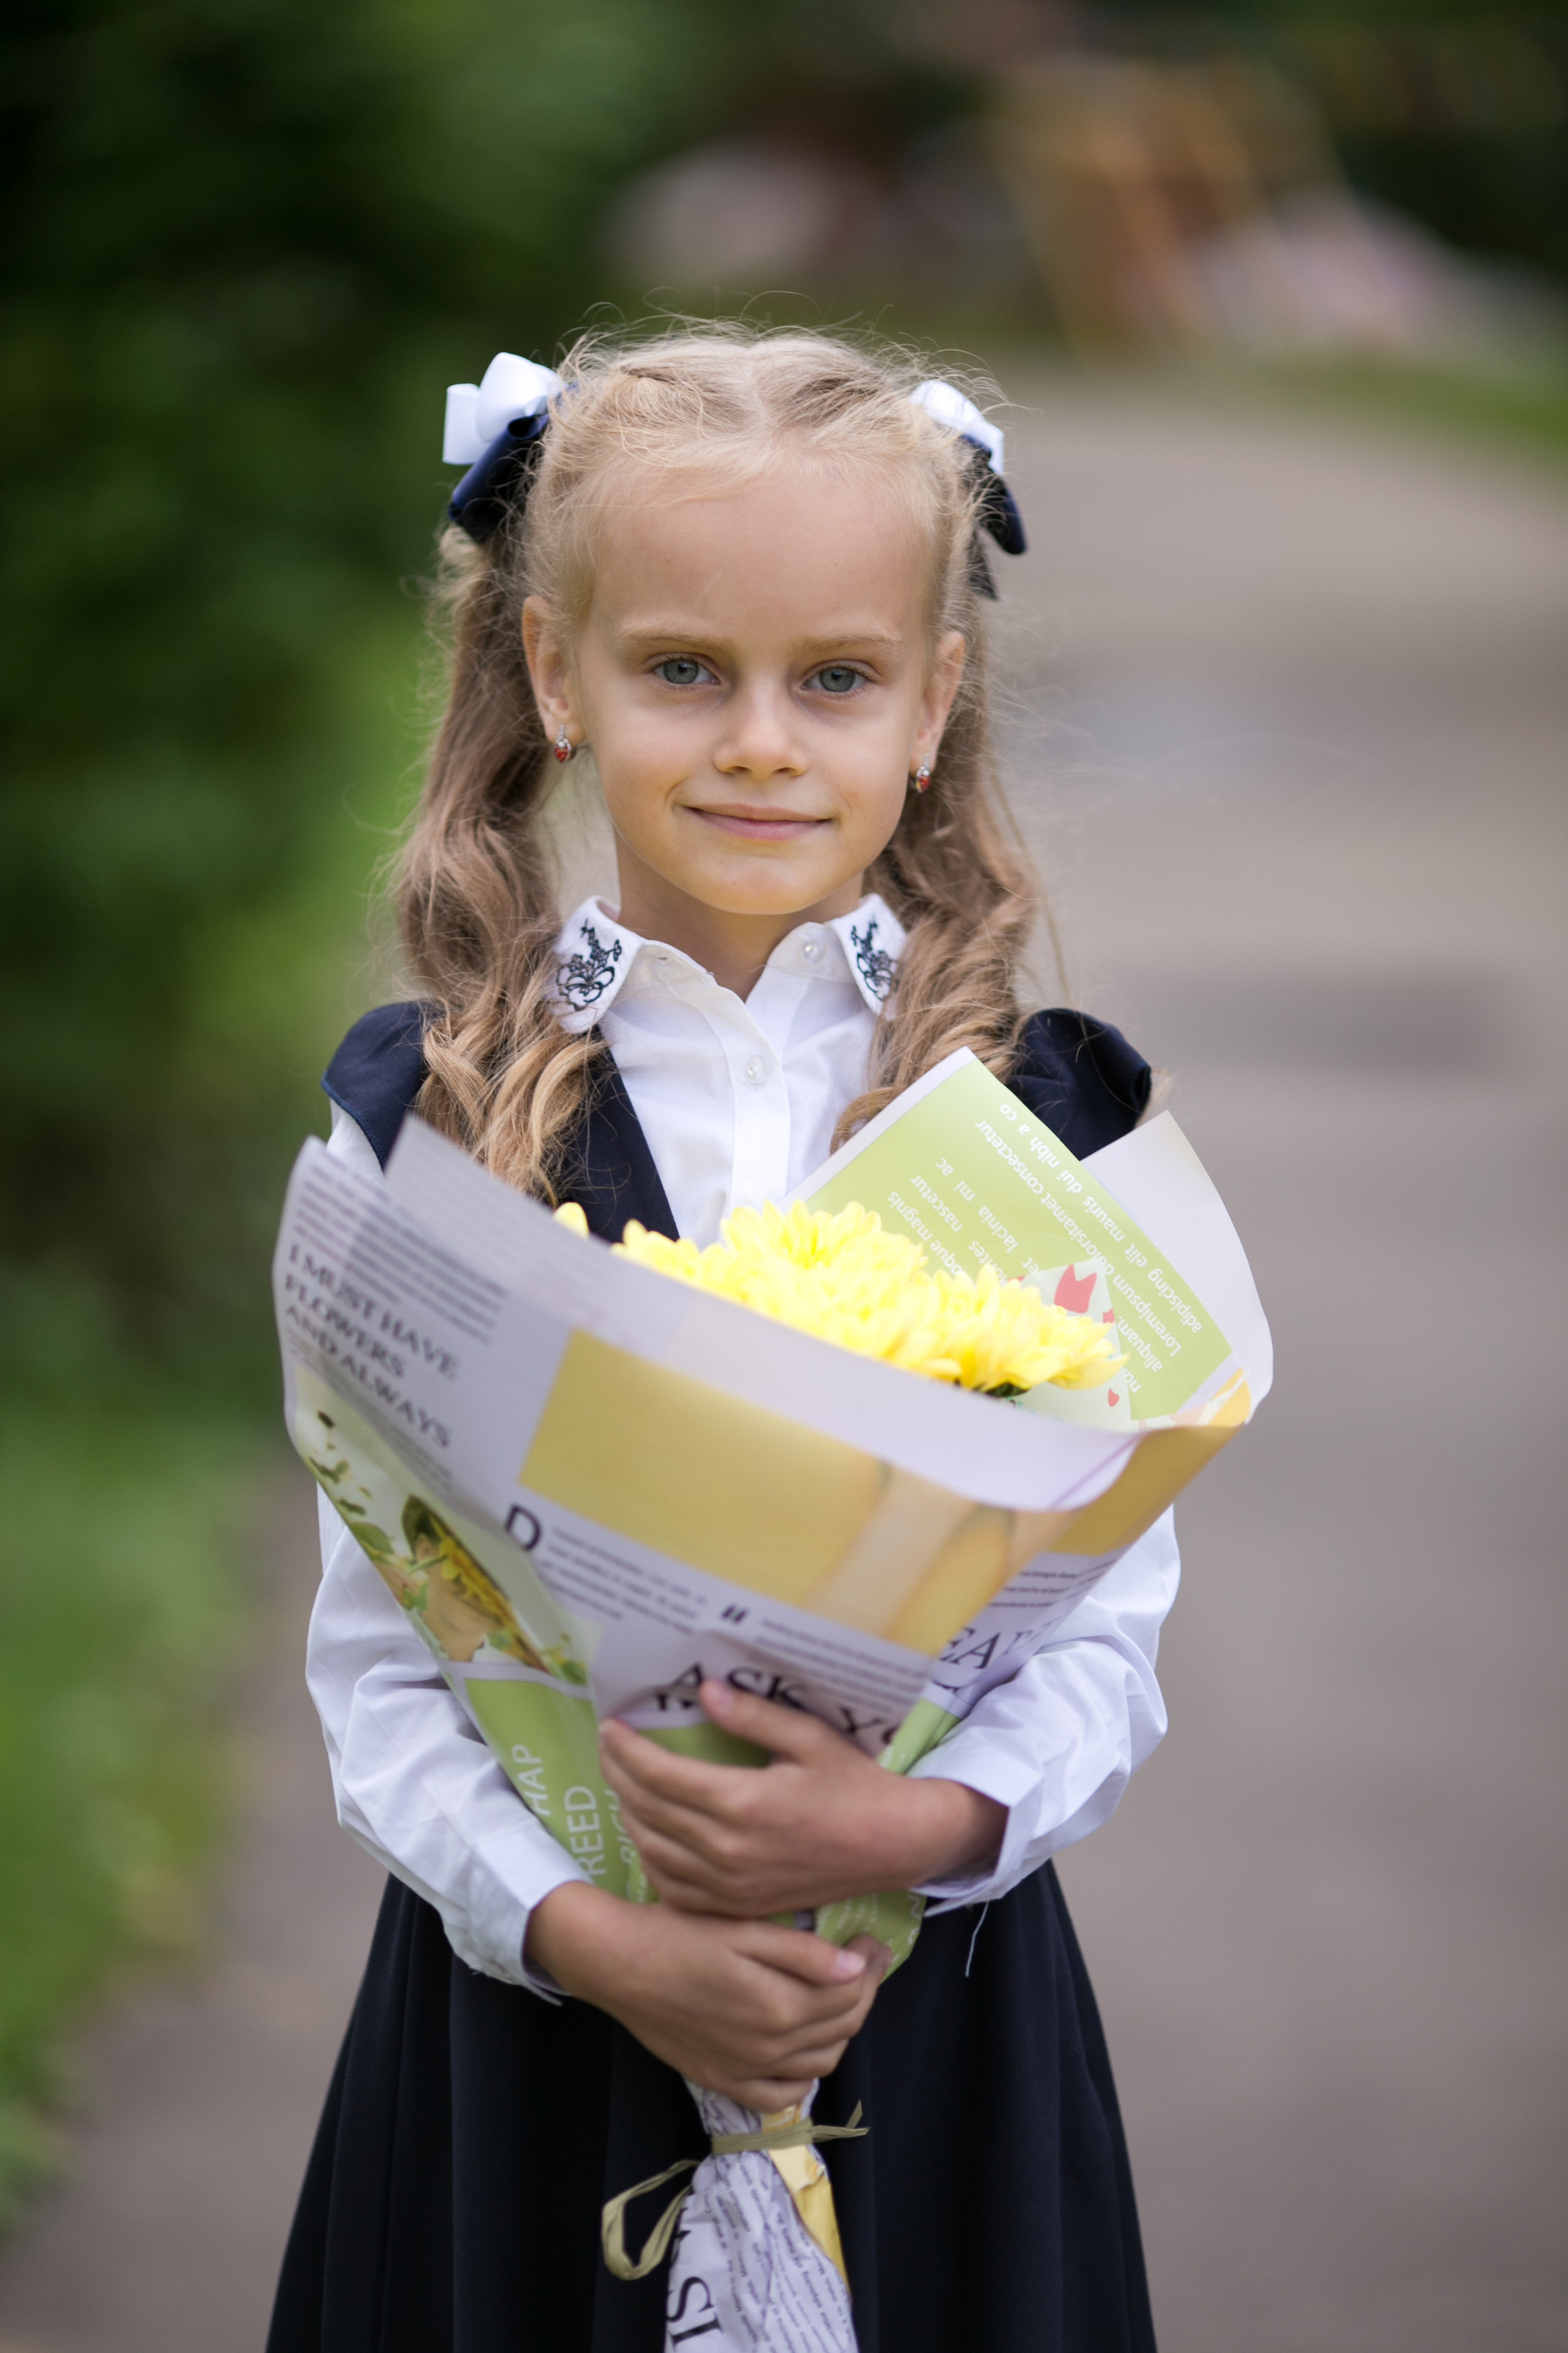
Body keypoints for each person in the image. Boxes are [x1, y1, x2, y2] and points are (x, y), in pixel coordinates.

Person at [270, 328, 1176, 2353]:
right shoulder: (425, 1132)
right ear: (551, 675)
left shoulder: (1033, 1133)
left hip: (926, 2024)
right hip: (537, 2041)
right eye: (685, 668)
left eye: (835, 677)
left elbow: (1110, 1637)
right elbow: (378, 1663)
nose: (762, 741)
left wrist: (917, 1827)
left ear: (933, 704)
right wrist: (593, 1937)